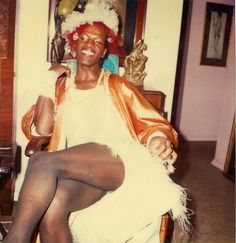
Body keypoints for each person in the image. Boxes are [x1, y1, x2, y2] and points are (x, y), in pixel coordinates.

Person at [4, 1, 190, 242]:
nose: (89, 45)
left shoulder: (115, 84)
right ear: (74, 43)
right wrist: (49, 79)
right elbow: (42, 129)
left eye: (98, 41)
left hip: (118, 161)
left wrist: (159, 138)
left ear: (104, 52)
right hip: (81, 172)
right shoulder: (61, 86)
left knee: (41, 161)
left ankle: (14, 239)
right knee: (53, 206)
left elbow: (154, 124)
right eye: (84, 38)